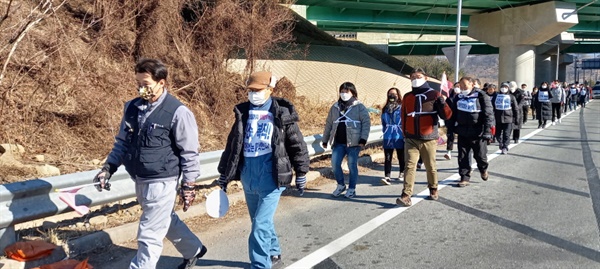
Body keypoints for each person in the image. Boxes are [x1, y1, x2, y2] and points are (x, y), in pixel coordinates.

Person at [92, 58, 207, 269]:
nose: (141, 89)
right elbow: (122, 143)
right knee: (164, 219)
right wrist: (108, 168)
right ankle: (194, 249)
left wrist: (189, 185)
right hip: (139, 177)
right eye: (138, 84)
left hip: (163, 180)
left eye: (146, 84)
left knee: (149, 234)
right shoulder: (132, 108)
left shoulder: (178, 112)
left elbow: (190, 152)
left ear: (161, 83)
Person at [217, 71, 310, 269]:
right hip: (248, 175)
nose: (253, 94)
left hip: (272, 175)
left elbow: (296, 144)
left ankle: (260, 265)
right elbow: (233, 145)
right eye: (250, 90)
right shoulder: (243, 114)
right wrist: (224, 173)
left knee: (260, 224)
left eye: (258, 90)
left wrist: (301, 172)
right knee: (260, 221)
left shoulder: (282, 114)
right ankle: (274, 251)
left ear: (270, 89)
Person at [396, 68, 452, 206]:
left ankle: (433, 188)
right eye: (413, 77)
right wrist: (405, 132)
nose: (415, 79)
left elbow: (447, 115)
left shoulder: (434, 94)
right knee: (409, 166)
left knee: (430, 165)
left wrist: (443, 103)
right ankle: (406, 194)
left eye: (419, 76)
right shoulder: (408, 97)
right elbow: (403, 116)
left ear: (426, 78)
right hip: (411, 138)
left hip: (428, 137)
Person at [322, 82, 371, 198]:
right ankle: (340, 185)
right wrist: (325, 139)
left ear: (352, 93)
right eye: (342, 92)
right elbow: (329, 123)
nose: (344, 94)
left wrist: (363, 139)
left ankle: (352, 188)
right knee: (335, 164)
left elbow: (366, 123)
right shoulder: (335, 107)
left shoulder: (359, 107)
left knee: (352, 165)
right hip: (338, 142)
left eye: (346, 92)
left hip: (353, 143)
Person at [451, 77, 494, 187]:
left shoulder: (481, 96)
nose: (463, 88)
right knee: (463, 156)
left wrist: (487, 131)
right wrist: (451, 128)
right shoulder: (458, 97)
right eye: (461, 86)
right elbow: (453, 114)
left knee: (480, 156)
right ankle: (464, 177)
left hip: (478, 132)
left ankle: (483, 169)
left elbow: (488, 114)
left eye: (465, 85)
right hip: (462, 131)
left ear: (471, 85)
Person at [380, 87, 405, 185]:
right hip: (388, 135)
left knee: (401, 156)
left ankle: (402, 172)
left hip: (399, 134)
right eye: (390, 94)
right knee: (387, 157)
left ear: (398, 95)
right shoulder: (385, 108)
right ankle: (387, 176)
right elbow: (383, 122)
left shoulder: (402, 108)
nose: (392, 95)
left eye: (394, 94)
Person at [492, 83, 519, 154]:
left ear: (508, 88)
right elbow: (492, 107)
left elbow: (515, 109)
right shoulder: (496, 96)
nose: (504, 88)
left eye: (506, 87)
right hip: (498, 118)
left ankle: (505, 147)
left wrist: (517, 119)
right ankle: (501, 143)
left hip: (508, 118)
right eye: (503, 87)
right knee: (497, 134)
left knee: (506, 134)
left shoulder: (511, 97)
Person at [444, 82, 461, 160]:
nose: (457, 88)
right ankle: (449, 152)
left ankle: (461, 152)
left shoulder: (463, 97)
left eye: (459, 86)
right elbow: (445, 108)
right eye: (456, 86)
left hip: (461, 120)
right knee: (450, 135)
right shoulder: (449, 98)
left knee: (461, 137)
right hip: (450, 119)